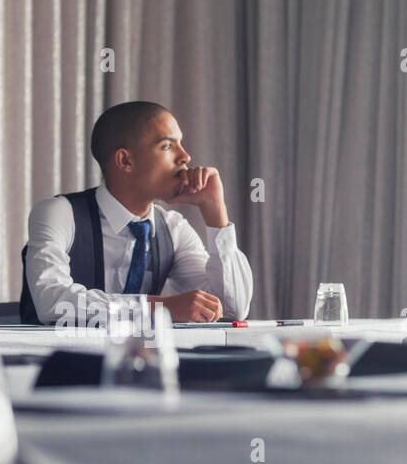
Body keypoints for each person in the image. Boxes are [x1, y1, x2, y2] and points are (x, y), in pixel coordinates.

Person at [19, 101, 253, 325]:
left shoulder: (173, 228)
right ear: (125, 160)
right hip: (57, 362)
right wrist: (159, 309)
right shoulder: (58, 213)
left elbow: (231, 310)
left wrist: (215, 212)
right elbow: (52, 300)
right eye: (168, 146)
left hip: (144, 364)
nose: (185, 157)